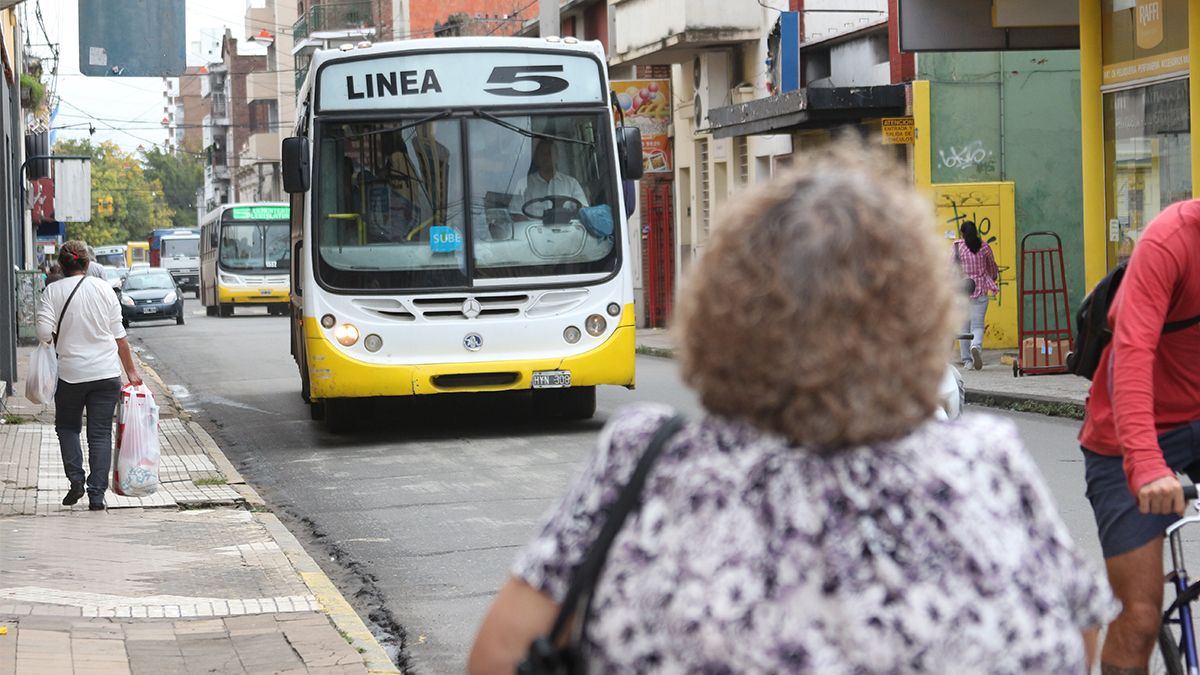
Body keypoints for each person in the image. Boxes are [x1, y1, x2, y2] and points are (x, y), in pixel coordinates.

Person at [469, 140, 1113, 674]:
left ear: (722, 310)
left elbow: (498, 657)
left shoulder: (642, 463)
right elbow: (1080, 641)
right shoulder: (990, 464)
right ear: (918, 315)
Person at [1079, 199, 1200, 672]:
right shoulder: (1172, 240)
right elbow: (1131, 352)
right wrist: (1147, 465)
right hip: (1128, 431)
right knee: (1141, 616)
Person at [36, 240, 143, 511]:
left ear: (60, 265)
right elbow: (120, 337)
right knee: (99, 434)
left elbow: (42, 335)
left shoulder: (52, 292)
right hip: (106, 374)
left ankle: (76, 480)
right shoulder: (105, 289)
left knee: (67, 428)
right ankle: (97, 496)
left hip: (70, 375)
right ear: (87, 263)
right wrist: (131, 372)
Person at [952, 221, 998, 370]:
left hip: (962, 290)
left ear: (962, 233)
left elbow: (948, 268)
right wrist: (991, 278)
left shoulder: (957, 247)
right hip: (980, 289)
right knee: (977, 325)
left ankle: (967, 361)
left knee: (963, 327)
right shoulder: (984, 247)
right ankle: (976, 347)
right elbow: (992, 268)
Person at [518, 139, 588, 218]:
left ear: (557, 156)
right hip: (531, 229)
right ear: (536, 157)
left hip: (567, 229)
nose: (546, 157)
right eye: (542, 154)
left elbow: (583, 212)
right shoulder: (523, 184)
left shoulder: (572, 183)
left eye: (549, 153)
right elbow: (516, 214)